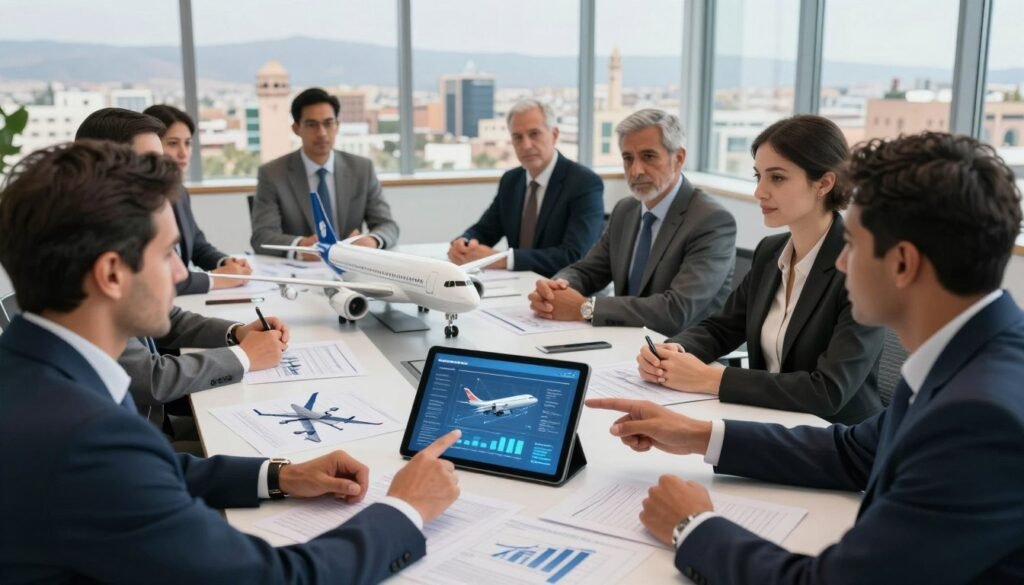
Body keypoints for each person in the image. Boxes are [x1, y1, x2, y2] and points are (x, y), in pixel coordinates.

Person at [0, 141, 463, 584]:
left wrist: (282, 475)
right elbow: (275, 579)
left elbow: (151, 472)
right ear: (112, 274)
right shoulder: (85, 439)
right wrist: (406, 508)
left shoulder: (40, 370)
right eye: (166, 254)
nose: (183, 274)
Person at [588, 132, 1024, 584]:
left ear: (902, 263)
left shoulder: (980, 418)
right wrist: (695, 434)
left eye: (852, 243)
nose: (839, 263)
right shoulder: (965, 355)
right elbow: (852, 452)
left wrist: (692, 526)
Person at [638, 115, 885, 424]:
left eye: (777, 178)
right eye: (759, 176)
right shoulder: (771, 253)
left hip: (836, 442)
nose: (760, 192)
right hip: (769, 423)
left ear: (824, 182)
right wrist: (674, 350)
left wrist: (710, 378)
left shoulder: (862, 271)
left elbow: (827, 392)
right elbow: (722, 328)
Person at [75, 107, 288, 429]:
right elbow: (150, 378)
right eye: (151, 164)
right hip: (145, 434)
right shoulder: (87, 251)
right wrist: (244, 357)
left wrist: (235, 333)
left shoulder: (122, 229)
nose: (164, 174)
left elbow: (165, 317)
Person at [528, 109, 736, 335]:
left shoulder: (711, 221)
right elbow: (589, 271)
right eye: (628, 158)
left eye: (648, 156)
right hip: (623, 343)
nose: (636, 171)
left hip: (682, 355)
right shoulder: (626, 210)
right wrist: (557, 288)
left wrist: (585, 308)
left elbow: (676, 311)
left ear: (678, 158)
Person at [447, 99, 605, 278]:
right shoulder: (511, 180)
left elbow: (574, 255)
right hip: (517, 284)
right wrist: (464, 243)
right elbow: (485, 230)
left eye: (534, 134)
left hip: (562, 289)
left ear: (554, 134)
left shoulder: (584, 182)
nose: (526, 145)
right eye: (517, 137)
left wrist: (505, 259)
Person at [251, 87, 399, 259]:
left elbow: (388, 226)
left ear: (337, 126)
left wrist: (372, 240)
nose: (321, 133)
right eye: (312, 125)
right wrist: (301, 247)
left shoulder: (361, 169)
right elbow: (262, 237)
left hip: (350, 267)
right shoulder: (272, 174)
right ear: (296, 128)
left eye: (328, 123)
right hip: (300, 272)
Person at [143, 103, 254, 295]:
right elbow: (162, 279)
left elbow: (197, 245)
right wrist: (218, 278)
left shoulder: (180, 192)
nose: (183, 153)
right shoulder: (138, 199)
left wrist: (225, 262)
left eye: (187, 143)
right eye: (173, 143)